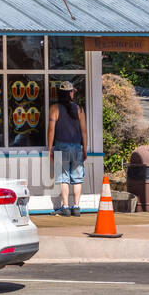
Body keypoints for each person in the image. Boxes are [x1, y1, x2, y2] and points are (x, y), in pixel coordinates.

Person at [47, 80, 88, 216]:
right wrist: (84, 148)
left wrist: (49, 149)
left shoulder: (54, 108)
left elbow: (51, 130)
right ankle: (76, 207)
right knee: (77, 179)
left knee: (63, 178)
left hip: (61, 146)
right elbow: (84, 132)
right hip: (77, 147)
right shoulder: (79, 109)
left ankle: (65, 207)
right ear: (70, 93)